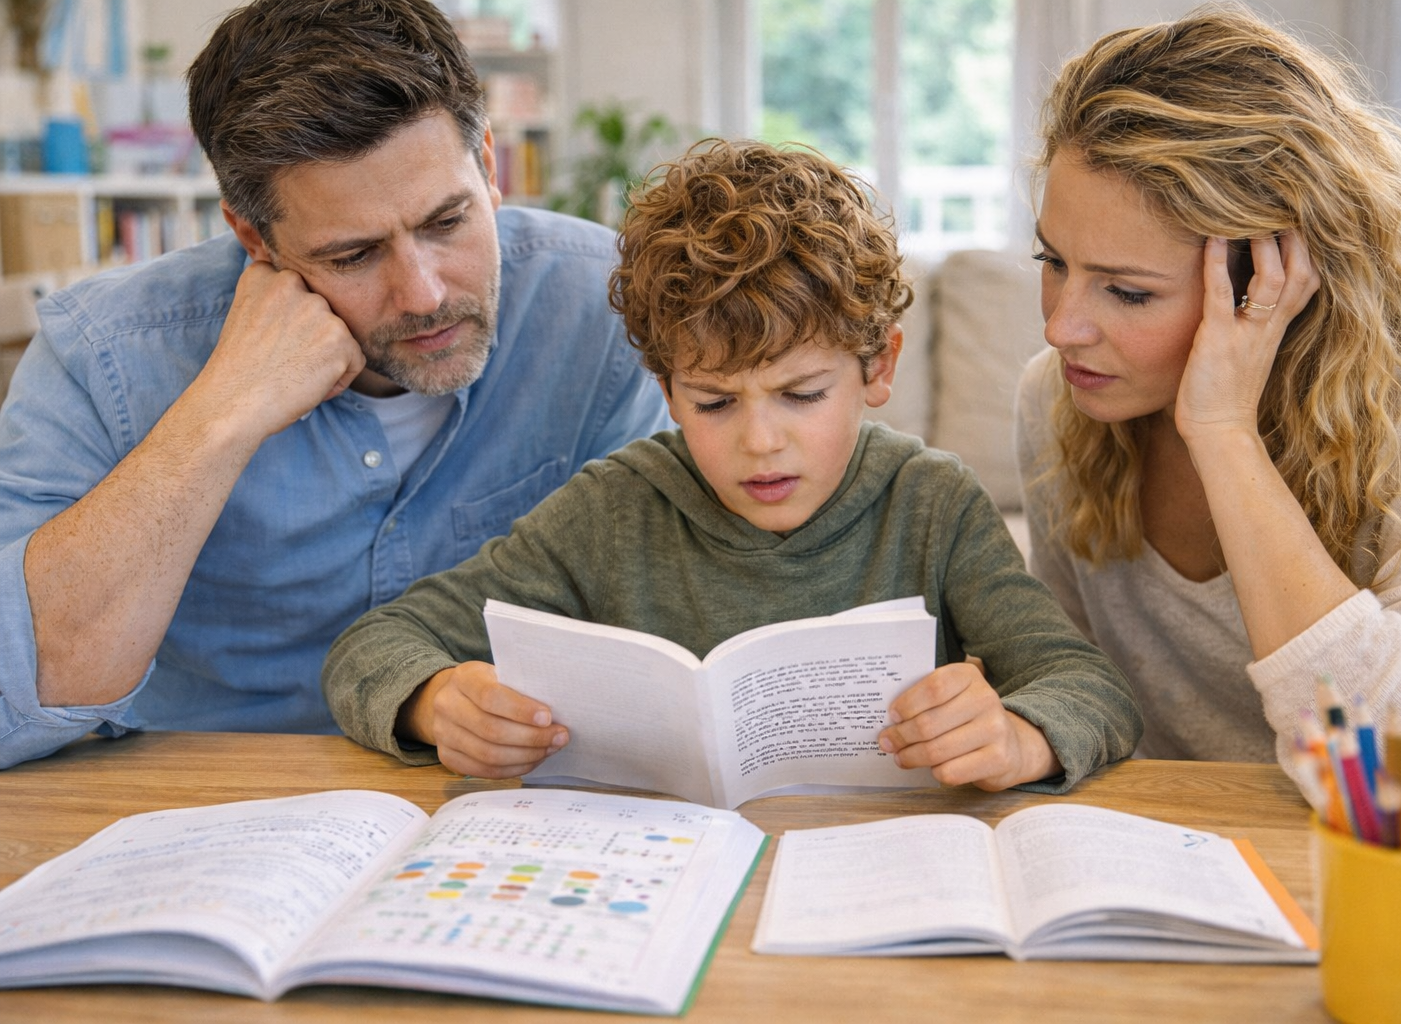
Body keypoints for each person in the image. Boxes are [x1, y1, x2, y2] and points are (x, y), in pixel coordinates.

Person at [323, 139, 1140, 792]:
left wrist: (1018, 736)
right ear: (667, 392)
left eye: (802, 394)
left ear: (877, 367)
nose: (761, 441)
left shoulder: (931, 506)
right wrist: (435, 702)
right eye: (715, 402)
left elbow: (1085, 685)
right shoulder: (613, 509)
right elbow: (377, 644)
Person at [0, 0, 669, 770]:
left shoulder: (601, 306)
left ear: (487, 163)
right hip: (210, 803)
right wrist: (221, 414)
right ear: (255, 238)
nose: (422, 293)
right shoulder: (105, 357)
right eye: (354, 256)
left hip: (504, 802)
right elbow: (20, 698)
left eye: (448, 220)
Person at [1013, 7, 1401, 769]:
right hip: (1176, 850)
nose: (1062, 328)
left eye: (1126, 293)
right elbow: (1077, 684)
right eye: (1053, 262)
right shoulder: (1058, 400)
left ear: (1272, 278)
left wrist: (1225, 436)